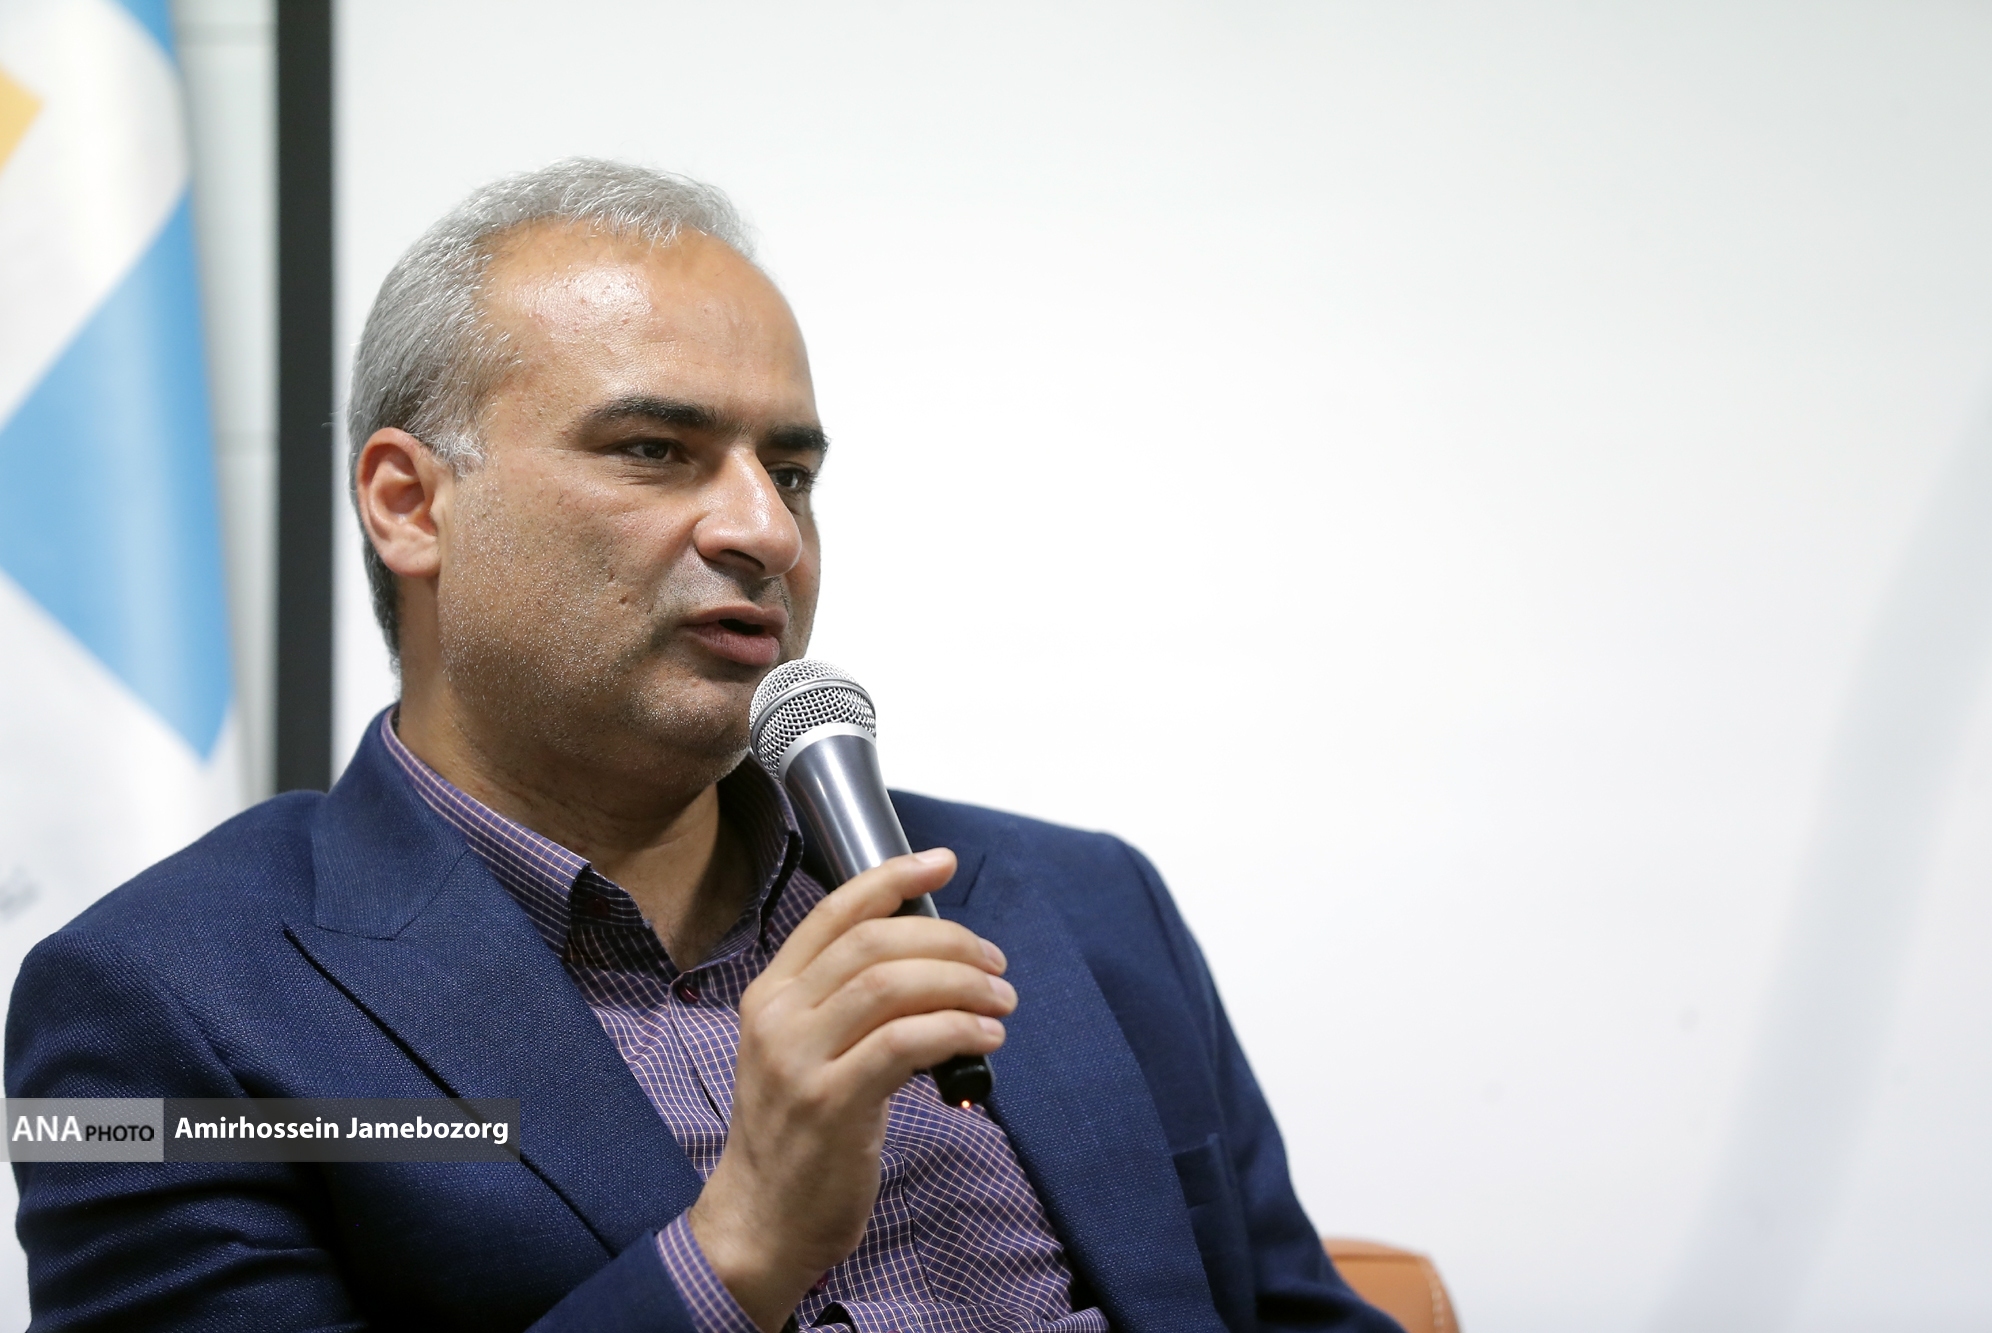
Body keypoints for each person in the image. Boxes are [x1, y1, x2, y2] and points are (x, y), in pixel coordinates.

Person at [7, 160, 1398, 1333]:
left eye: (790, 473)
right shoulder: (151, 1013)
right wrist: (736, 1248)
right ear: (409, 504)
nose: (765, 531)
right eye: (655, 450)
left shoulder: (1084, 904)